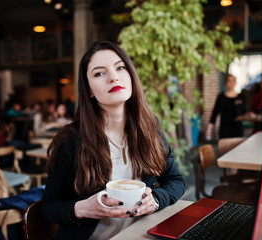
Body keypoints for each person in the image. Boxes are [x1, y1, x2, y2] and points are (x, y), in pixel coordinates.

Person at [41, 41, 185, 240]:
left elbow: (175, 180)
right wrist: (82, 208)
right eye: (99, 73)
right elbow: (48, 207)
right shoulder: (71, 140)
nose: (113, 77)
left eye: (120, 67)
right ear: (89, 90)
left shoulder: (150, 127)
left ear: (131, 75)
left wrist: (156, 200)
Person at [206, 74, 247, 140]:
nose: (231, 83)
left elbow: (245, 112)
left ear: (235, 82)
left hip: (237, 129)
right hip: (225, 128)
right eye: (229, 81)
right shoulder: (221, 97)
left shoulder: (241, 97)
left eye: (233, 81)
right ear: (225, 83)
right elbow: (215, 113)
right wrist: (209, 129)